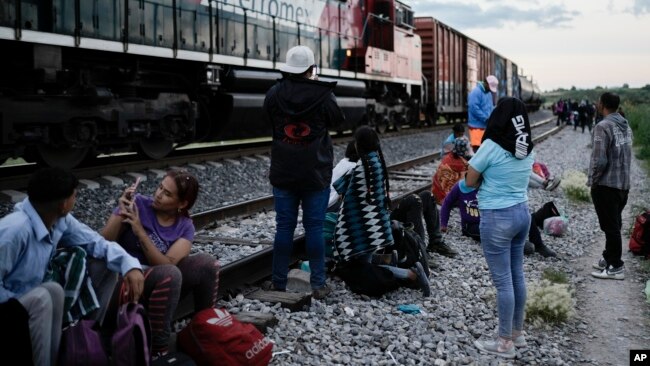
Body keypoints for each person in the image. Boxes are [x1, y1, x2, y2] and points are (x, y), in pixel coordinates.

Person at [0, 167, 144, 365]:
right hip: (10, 311)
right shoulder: (14, 231)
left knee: (54, 290)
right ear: (63, 204)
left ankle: (84, 342)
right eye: (74, 196)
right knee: (43, 297)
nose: (75, 200)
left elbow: (97, 243)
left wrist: (129, 265)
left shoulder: (58, 220)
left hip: (34, 303)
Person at [101, 169, 219, 357]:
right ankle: (159, 350)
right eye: (160, 187)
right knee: (171, 274)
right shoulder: (138, 203)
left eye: (167, 194)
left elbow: (165, 264)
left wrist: (140, 231)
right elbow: (102, 244)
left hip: (157, 283)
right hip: (122, 283)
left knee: (207, 264)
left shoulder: (184, 226)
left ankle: (205, 332)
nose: (158, 194)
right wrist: (120, 214)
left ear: (182, 203)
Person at [264, 45, 345, 299]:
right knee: (314, 228)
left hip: (284, 171)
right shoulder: (324, 95)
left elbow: (267, 116)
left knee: (284, 228)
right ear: (312, 69)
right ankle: (318, 284)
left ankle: (278, 282)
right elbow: (338, 120)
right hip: (315, 173)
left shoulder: (275, 93)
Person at [465, 97, 535, 358]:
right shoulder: (528, 147)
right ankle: (517, 334)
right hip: (522, 214)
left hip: (497, 218)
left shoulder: (492, 146)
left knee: (503, 282)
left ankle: (504, 343)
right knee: (517, 275)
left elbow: (470, 182)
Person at [332, 125, 430, 296]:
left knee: (363, 267)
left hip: (364, 229)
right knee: (364, 263)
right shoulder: (376, 162)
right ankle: (400, 264)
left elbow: (347, 195)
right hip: (374, 227)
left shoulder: (363, 166)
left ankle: (411, 275)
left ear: (359, 144)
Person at [440, 181, 558, 257]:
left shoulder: (489, 185)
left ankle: (539, 245)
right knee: (493, 234)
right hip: (472, 226)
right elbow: (447, 203)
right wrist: (443, 224)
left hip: (492, 220)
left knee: (525, 214)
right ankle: (518, 245)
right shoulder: (461, 186)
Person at [589, 92, 632, 280]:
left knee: (611, 227)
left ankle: (616, 266)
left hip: (606, 185)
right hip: (623, 185)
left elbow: (600, 160)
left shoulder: (602, 126)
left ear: (602, 104)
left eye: (599, 101)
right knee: (614, 223)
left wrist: (593, 180)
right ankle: (608, 258)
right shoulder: (625, 125)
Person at [431, 137, 473, 205]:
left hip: (437, 193)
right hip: (446, 198)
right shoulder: (460, 164)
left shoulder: (450, 156)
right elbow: (463, 183)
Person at [467, 75, 498, 151]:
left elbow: (490, 107)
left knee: (484, 149)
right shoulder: (476, 92)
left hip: (484, 126)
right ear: (486, 83)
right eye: (490, 87)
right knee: (477, 149)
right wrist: (485, 118)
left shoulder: (488, 93)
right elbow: (473, 108)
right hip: (476, 127)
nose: (490, 90)